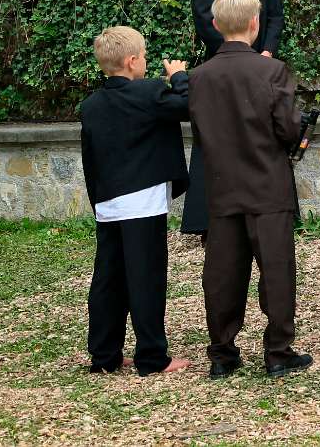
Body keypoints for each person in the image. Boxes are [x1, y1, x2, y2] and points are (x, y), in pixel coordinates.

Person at [188, 0, 311, 378]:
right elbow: (289, 128)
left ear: (216, 24)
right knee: (276, 268)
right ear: (255, 24)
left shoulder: (200, 77)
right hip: (267, 183)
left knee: (222, 271)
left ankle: (222, 352)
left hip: (222, 185)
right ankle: (278, 350)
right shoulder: (271, 71)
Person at [79, 26, 192, 376]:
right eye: (143, 56)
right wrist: (179, 76)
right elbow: (188, 106)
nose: (146, 62)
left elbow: (89, 156)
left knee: (108, 279)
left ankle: (104, 355)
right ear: (132, 61)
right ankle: (152, 356)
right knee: (146, 278)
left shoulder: (91, 105)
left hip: (108, 202)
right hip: (143, 202)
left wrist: (98, 200)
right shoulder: (148, 92)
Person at [184, 0, 285, 239]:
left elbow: (274, 14)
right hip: (222, 65)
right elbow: (203, 16)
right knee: (219, 136)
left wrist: (266, 53)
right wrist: (234, 52)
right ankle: (212, 217)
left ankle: (263, 210)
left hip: (261, 65)